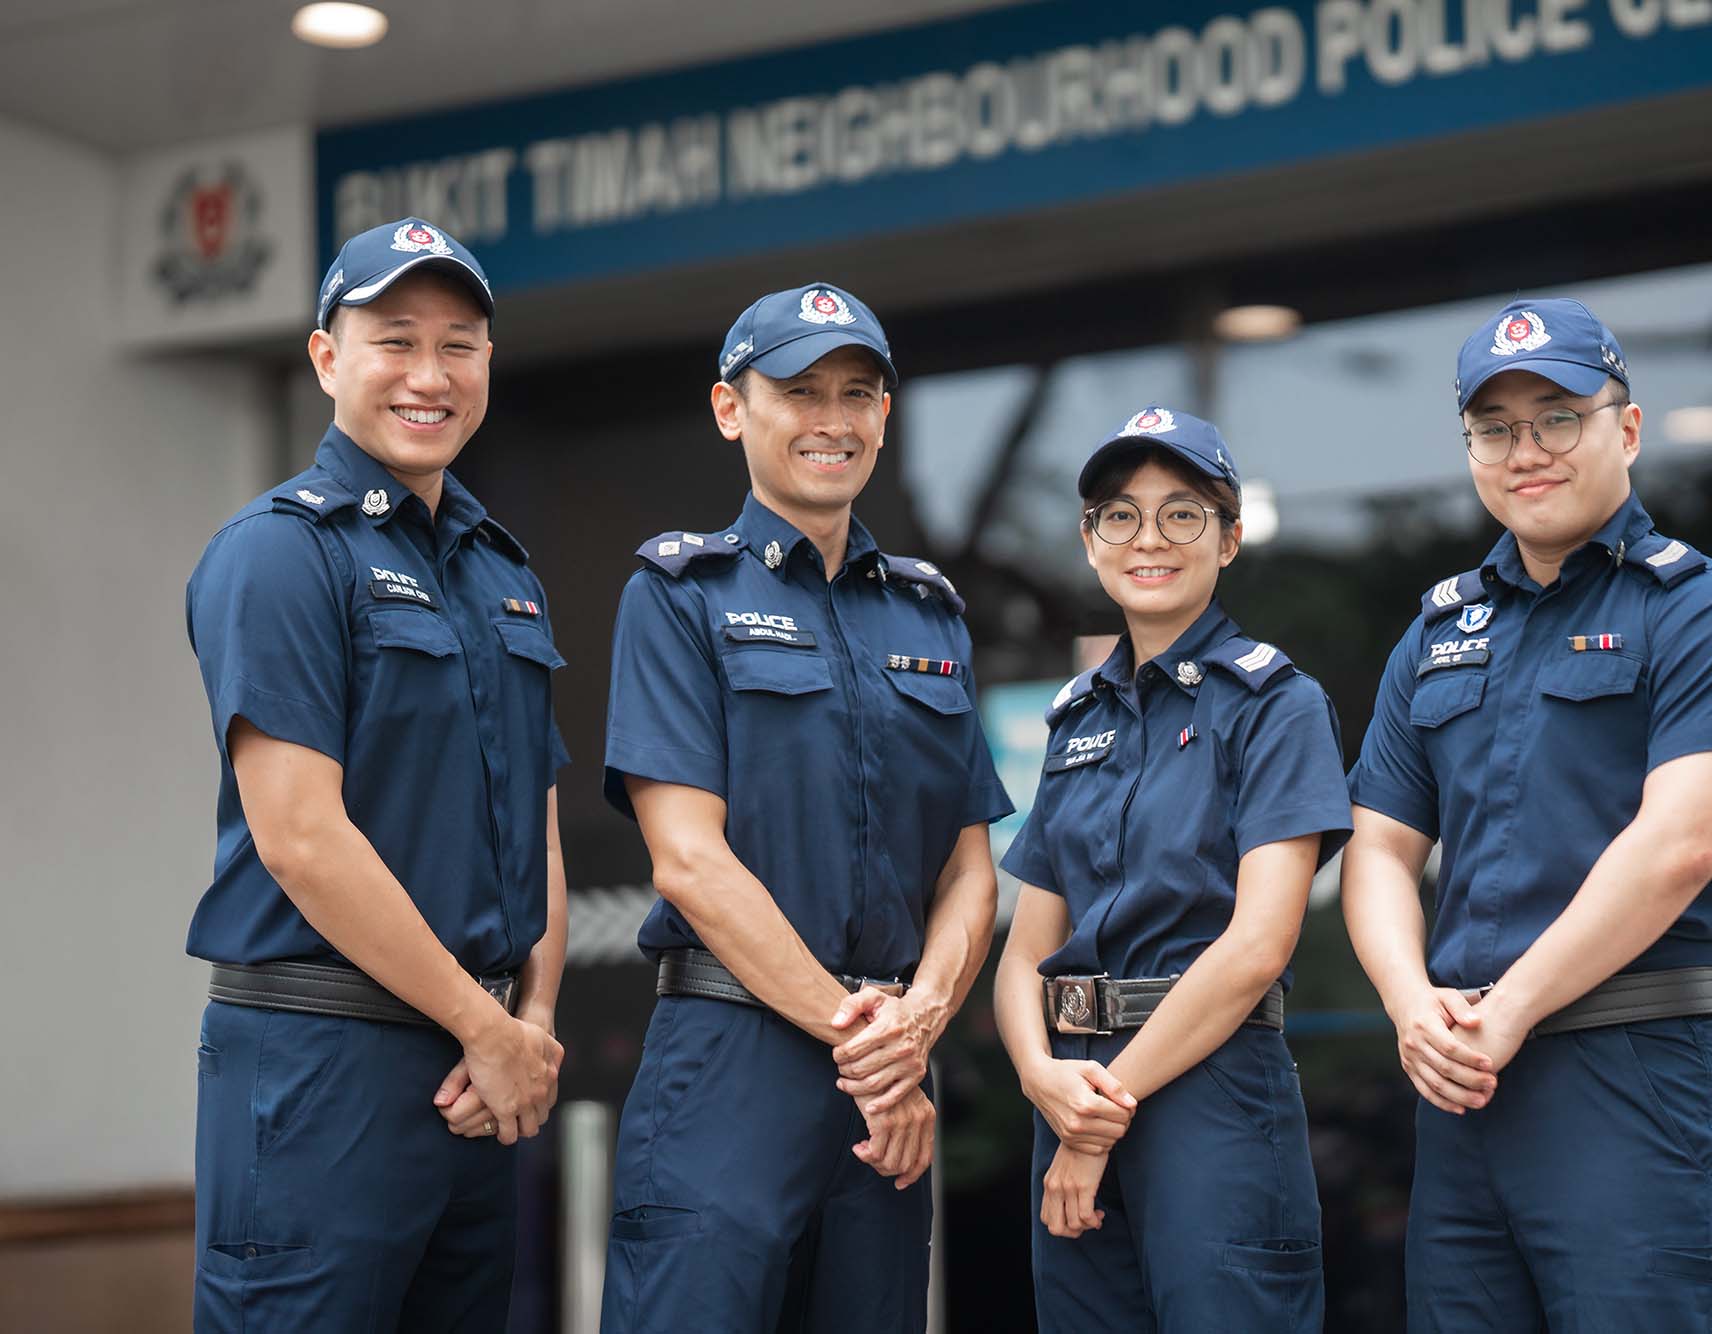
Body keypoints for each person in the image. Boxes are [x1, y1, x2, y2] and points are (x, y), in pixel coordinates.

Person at [1343, 297, 1712, 1331]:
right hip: (1465, 1085)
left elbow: (1678, 847)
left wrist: (1501, 1011)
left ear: (1625, 429)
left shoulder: (1710, 613)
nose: (1525, 451)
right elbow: (1376, 846)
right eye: (1495, 427)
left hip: (1634, 1067)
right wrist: (1412, 1004)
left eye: (1557, 416)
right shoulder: (1434, 635)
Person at [597, 282, 1014, 1332]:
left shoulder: (930, 612)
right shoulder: (679, 593)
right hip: (733, 1059)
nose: (832, 418)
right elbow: (688, 859)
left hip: (885, 1081)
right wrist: (869, 1040)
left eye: (857, 392)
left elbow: (968, 864)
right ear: (731, 408)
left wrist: (918, 1017)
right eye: (799, 391)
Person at [183, 218, 569, 1330]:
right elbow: (300, 836)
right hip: (323, 1061)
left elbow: (526, 816)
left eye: (460, 345)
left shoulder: (502, 571)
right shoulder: (280, 552)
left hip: (480, 1077)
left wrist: (529, 1020)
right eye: (395, 339)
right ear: (326, 359)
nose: (428, 374)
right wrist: (485, 1028)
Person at [992, 406, 1351, 1331]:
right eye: (1121, 514)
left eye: (1183, 514)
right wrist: (1042, 1079)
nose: (1149, 538)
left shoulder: (1276, 703)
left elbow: (1258, 945)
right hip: (1068, 1085)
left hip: (1207, 1089)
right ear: (1090, 539)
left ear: (1229, 539)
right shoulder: (1077, 718)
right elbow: (1026, 948)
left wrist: (1098, 1116)